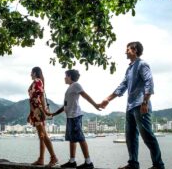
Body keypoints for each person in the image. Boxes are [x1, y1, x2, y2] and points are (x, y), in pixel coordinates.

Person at [99, 41, 165, 169]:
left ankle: (158, 165)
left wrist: (145, 102)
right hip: (130, 107)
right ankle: (133, 164)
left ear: (135, 50)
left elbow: (149, 82)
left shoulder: (142, 64)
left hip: (141, 105)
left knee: (147, 136)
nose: (125, 51)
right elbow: (122, 86)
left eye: (128, 49)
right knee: (130, 137)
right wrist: (108, 99)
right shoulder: (129, 68)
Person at [51, 69, 101, 169]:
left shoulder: (76, 85)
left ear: (69, 76)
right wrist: (53, 114)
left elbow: (85, 95)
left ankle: (88, 162)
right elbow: (65, 106)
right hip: (70, 117)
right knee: (72, 139)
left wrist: (95, 105)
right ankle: (72, 161)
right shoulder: (69, 89)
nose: (64, 78)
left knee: (80, 138)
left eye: (65, 76)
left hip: (75, 116)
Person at [27, 66, 58, 167]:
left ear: (35, 73)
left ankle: (53, 157)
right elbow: (33, 99)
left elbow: (40, 97)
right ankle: (41, 159)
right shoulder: (36, 82)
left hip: (38, 111)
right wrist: (30, 113)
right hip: (35, 111)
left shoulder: (37, 81)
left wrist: (43, 111)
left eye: (31, 72)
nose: (30, 74)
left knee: (43, 135)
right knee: (41, 136)